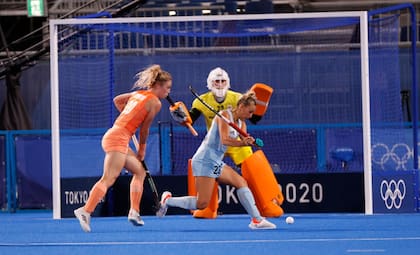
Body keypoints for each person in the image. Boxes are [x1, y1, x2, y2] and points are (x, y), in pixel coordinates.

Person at [74, 64, 172, 232]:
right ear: (157, 86)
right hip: (118, 138)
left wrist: (127, 115)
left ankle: (134, 212)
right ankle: (85, 210)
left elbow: (117, 100)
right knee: (109, 178)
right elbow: (145, 129)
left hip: (117, 135)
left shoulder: (137, 94)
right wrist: (142, 150)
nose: (168, 92)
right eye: (167, 88)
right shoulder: (155, 102)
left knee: (140, 172)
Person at [158, 91, 276, 230]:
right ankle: (167, 201)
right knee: (202, 204)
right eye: (249, 112)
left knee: (241, 182)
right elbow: (225, 139)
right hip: (205, 160)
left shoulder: (241, 123)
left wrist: (249, 141)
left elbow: (242, 139)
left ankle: (257, 220)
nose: (250, 116)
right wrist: (243, 143)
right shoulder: (225, 116)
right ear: (241, 107)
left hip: (216, 161)